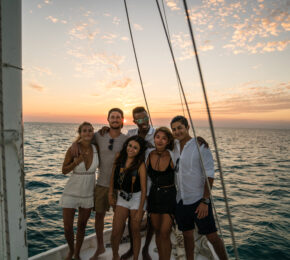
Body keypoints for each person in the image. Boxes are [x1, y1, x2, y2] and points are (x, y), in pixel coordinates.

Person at [171, 115, 228, 260]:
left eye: (180, 128)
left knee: (212, 236)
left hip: (199, 201)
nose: (177, 132)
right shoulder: (174, 146)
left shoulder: (200, 146)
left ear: (187, 127)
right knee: (187, 235)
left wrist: (205, 200)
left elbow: (210, 175)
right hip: (182, 200)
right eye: (174, 129)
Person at [60, 122, 99, 260]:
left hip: (88, 192)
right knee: (68, 227)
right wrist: (77, 161)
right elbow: (64, 170)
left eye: (90, 130)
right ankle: (71, 250)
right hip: (72, 191)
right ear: (80, 133)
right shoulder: (73, 149)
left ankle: (77, 254)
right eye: (84, 131)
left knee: (82, 226)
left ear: (93, 132)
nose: (87, 133)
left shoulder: (96, 148)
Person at [109, 135, 147, 260]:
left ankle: (136, 257)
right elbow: (113, 177)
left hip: (136, 198)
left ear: (139, 151)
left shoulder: (140, 165)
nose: (131, 149)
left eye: (135, 148)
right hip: (122, 197)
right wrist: (110, 194)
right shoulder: (119, 157)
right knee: (116, 232)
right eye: (130, 145)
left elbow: (144, 189)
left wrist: (141, 210)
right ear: (126, 145)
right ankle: (115, 256)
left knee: (135, 231)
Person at [146, 127, 176, 260]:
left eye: (164, 138)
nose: (160, 140)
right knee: (157, 231)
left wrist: (197, 140)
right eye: (158, 137)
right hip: (153, 196)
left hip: (169, 196)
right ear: (154, 138)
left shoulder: (173, 155)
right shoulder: (148, 154)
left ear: (168, 141)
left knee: (165, 233)